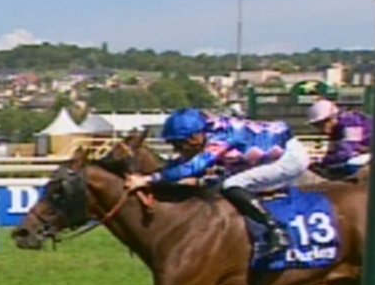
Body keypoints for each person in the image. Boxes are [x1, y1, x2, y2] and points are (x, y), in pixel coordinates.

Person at [126, 108, 310, 257]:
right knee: (217, 183)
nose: (177, 150)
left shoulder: (220, 138)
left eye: (179, 144)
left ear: (194, 137)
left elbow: (192, 168)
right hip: (268, 151)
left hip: (289, 158)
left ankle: (277, 231)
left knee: (232, 185)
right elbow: (186, 166)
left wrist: (148, 179)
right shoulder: (207, 130)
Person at [306, 98, 373, 180]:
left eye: (320, 124)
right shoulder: (335, 129)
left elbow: (347, 153)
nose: (319, 129)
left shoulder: (351, 122)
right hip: (365, 152)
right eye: (315, 125)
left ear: (331, 118)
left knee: (350, 165)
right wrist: (321, 163)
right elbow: (331, 152)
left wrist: (322, 161)